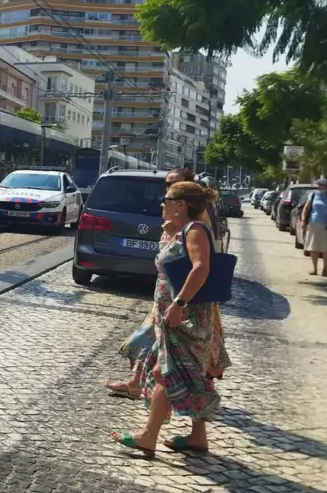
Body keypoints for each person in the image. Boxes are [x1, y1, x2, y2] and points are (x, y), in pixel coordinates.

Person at [111, 181, 231, 457]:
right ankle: (198, 437)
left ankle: (148, 436)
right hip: (176, 317)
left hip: (186, 318)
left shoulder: (196, 230)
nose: (161, 204)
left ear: (181, 205)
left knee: (164, 373)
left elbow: (201, 269)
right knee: (189, 375)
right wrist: (169, 236)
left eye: (166, 199)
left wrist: (178, 304)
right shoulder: (184, 231)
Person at [106, 168, 199, 399]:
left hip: (181, 301)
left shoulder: (194, 224)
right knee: (152, 343)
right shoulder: (172, 220)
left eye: (174, 185)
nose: (167, 191)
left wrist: (179, 302)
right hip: (165, 297)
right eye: (167, 185)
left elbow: (196, 264)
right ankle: (140, 385)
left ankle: (188, 404)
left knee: (177, 353)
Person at [301, 178, 327, 276]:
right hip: (313, 223)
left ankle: (325, 269)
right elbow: (306, 209)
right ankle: (314, 269)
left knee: (326, 249)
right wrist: (304, 221)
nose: (319, 186)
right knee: (313, 248)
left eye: (321, 184)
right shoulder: (314, 195)